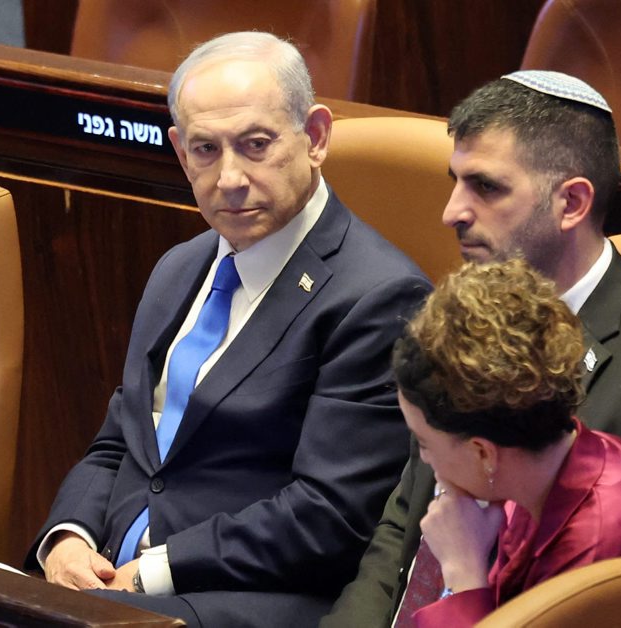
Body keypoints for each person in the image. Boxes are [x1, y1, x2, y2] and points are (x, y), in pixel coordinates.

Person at [23, 31, 430, 627]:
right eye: (206, 150)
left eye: (256, 145)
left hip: (244, 599)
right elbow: (122, 442)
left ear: (315, 137)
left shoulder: (378, 296)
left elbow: (329, 515)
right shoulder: (178, 268)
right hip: (112, 583)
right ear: (180, 153)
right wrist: (67, 536)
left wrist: (153, 572)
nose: (230, 178)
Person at [322, 71, 621, 626]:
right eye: (455, 182)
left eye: (486, 187)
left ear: (571, 202)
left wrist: (466, 583)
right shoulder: (465, 316)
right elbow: (405, 525)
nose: (452, 212)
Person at [390, 259, 621, 627]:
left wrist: (463, 574)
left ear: (483, 452)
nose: (425, 460)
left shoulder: (599, 550)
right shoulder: (546, 470)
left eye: (425, 443)